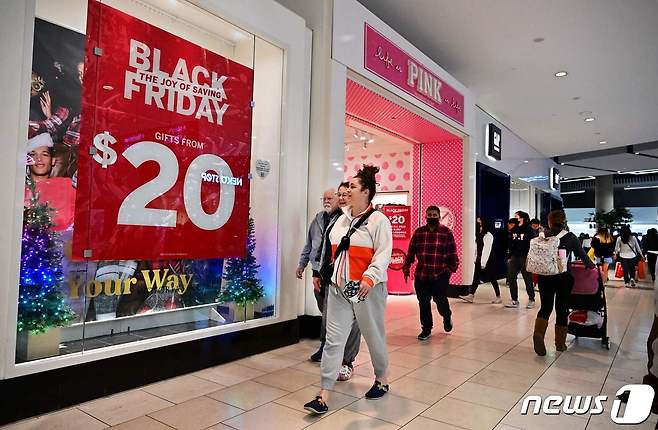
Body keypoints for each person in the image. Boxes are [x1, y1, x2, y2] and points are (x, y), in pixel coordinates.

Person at [304, 165, 392, 415]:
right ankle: (324, 393)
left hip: (367, 290)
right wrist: (322, 275)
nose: (346, 190)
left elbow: (383, 255)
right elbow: (330, 253)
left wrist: (370, 278)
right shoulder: (340, 220)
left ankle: (382, 379)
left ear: (366, 192)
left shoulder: (379, 221)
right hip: (339, 289)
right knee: (333, 340)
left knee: (373, 334)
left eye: (352, 187)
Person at [312, 182, 361, 381]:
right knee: (330, 319)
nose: (341, 198)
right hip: (330, 277)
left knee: (354, 322)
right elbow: (324, 249)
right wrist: (317, 273)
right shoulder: (334, 221)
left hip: (354, 280)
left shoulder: (362, 220)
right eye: (339, 194)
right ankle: (330, 356)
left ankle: (347, 361)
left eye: (345, 194)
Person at [533, 210, 595, 356]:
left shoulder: (542, 236)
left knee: (545, 307)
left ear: (549, 221)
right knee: (561, 309)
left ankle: (539, 334)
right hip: (563, 278)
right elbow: (583, 256)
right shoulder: (570, 237)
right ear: (564, 221)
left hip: (545, 275)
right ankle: (560, 344)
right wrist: (592, 267)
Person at [402, 206, 459, 340]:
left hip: (441, 274)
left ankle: (446, 316)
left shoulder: (446, 233)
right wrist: (406, 266)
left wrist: (450, 269)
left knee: (440, 300)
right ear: (426, 216)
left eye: (434, 215)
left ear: (439, 217)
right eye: (429, 215)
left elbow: (452, 253)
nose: (432, 217)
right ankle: (426, 328)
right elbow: (411, 251)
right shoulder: (419, 232)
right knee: (423, 302)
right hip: (422, 274)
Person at [296, 188, 338, 360]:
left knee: (329, 313)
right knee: (324, 310)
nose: (327, 201)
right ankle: (332, 341)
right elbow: (310, 244)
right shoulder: (318, 218)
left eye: (330, 198)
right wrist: (302, 264)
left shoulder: (343, 220)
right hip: (317, 273)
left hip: (333, 274)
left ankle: (325, 347)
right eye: (324, 198)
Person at [24, 133, 75, 231]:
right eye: (33, 154)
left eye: (45, 154)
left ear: (53, 161)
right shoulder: (18, 189)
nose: (39, 159)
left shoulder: (67, 185)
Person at [460, 216, 501, 304]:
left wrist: (483, 262)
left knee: (492, 278)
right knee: (476, 277)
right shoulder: (478, 233)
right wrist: (475, 258)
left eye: (479, 222)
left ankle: (498, 297)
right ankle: (471, 295)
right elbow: (476, 247)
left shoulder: (488, 235)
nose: (478, 223)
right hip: (479, 259)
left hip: (488, 260)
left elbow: (487, 249)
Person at [506, 211, 535, 308]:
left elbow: (532, 244)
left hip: (525, 257)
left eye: (517, 216)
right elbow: (511, 242)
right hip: (515, 256)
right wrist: (510, 256)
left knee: (527, 279)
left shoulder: (529, 229)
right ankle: (514, 300)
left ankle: (531, 299)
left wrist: (530, 256)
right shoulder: (515, 228)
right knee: (511, 277)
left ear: (522, 218)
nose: (515, 218)